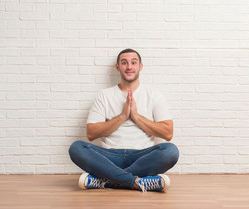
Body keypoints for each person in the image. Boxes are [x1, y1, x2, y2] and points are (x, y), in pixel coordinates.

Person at [68, 48, 179, 193]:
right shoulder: (104, 95)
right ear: (117, 67)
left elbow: (168, 133)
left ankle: (107, 181)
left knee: (170, 151)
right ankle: (134, 182)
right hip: (109, 157)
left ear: (140, 66)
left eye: (134, 62)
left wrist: (136, 116)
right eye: (124, 62)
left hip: (142, 156)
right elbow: (91, 133)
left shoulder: (153, 95)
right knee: (76, 148)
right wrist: (122, 116)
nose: (129, 67)